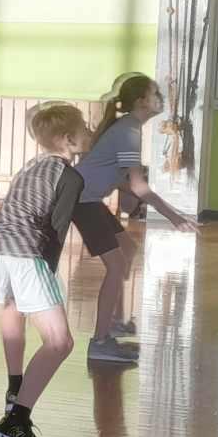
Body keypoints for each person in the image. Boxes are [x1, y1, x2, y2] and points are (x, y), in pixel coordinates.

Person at [0, 103, 95, 437]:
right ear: (67, 139)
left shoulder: (31, 165)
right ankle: (16, 421)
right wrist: (48, 274)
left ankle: (16, 386)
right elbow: (56, 232)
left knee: (14, 306)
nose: (90, 132)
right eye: (85, 128)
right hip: (25, 253)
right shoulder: (70, 177)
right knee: (60, 342)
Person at [72, 74, 198, 365]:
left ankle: (113, 323)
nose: (161, 98)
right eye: (155, 93)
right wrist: (175, 217)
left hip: (89, 198)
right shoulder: (128, 130)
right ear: (142, 101)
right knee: (116, 266)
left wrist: (144, 200)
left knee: (127, 249)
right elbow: (139, 187)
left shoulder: (129, 127)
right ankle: (100, 343)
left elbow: (121, 181)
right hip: (82, 201)